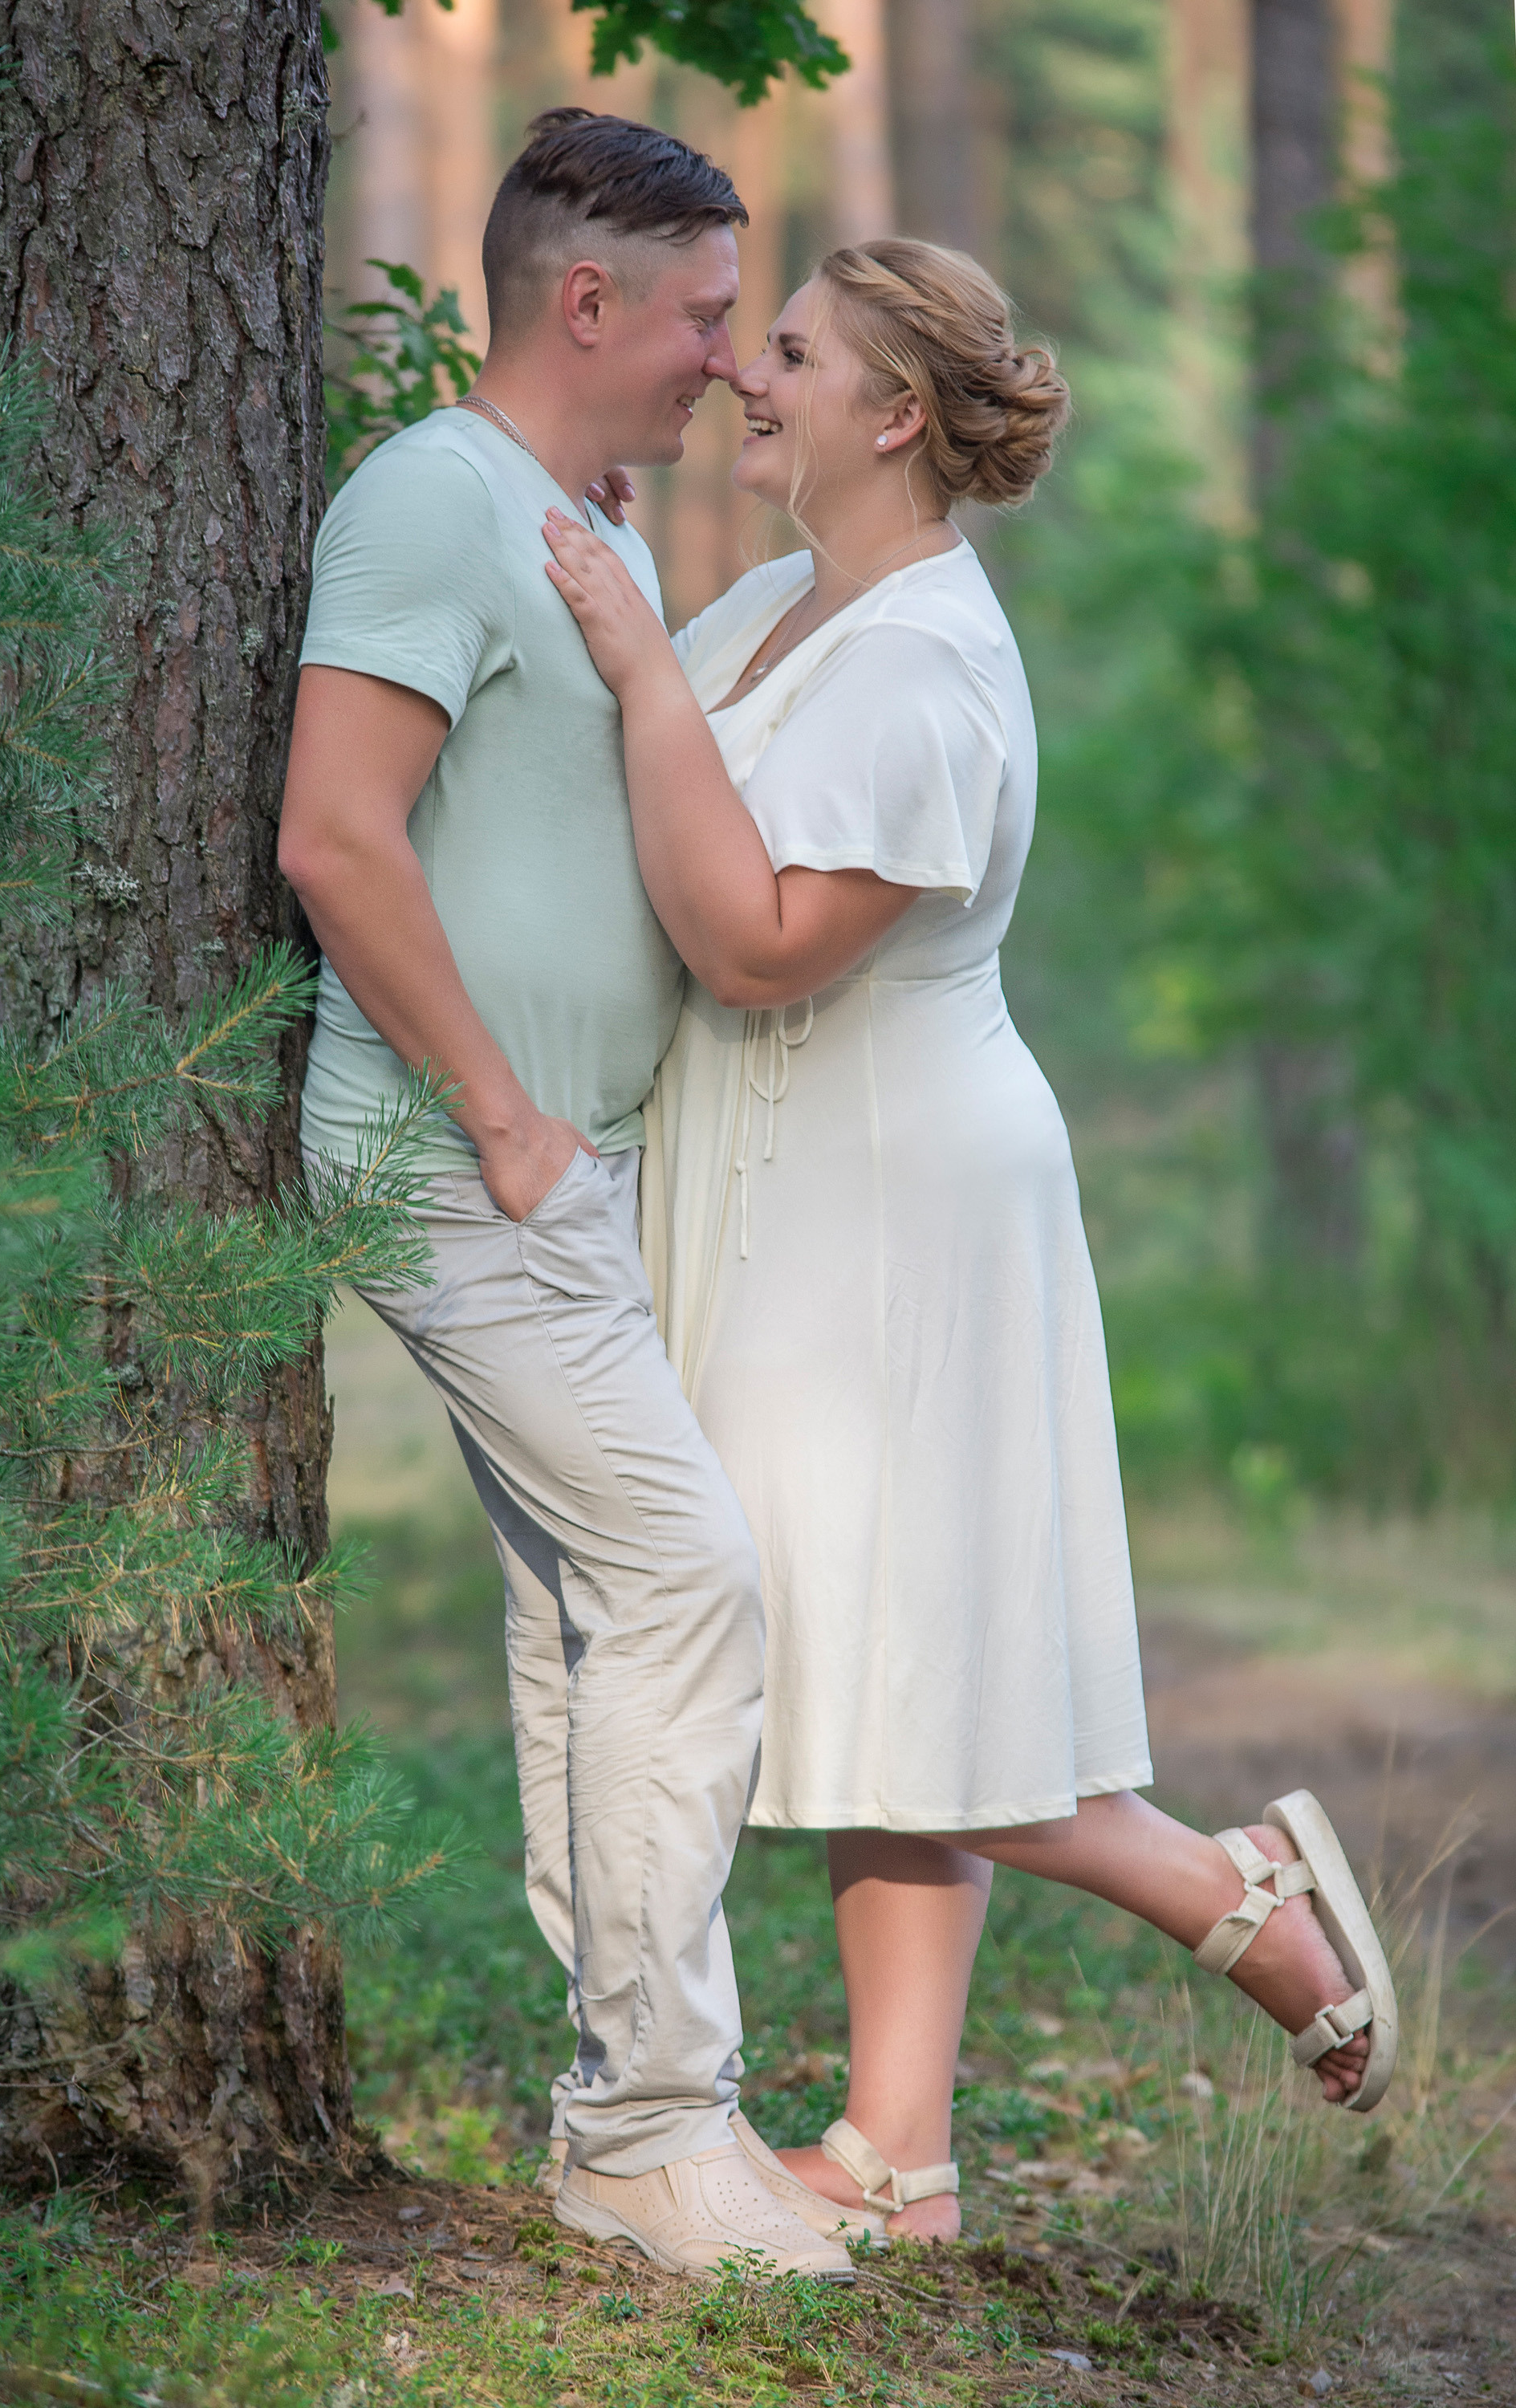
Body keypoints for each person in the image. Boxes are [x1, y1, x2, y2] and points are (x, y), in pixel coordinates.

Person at [540, 235, 1399, 2245]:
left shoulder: (927, 657)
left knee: (876, 1650)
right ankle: (899, 2158)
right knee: (855, 1652)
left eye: (798, 351)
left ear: (893, 414)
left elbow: (758, 948)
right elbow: (672, 798)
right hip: (792, 1188)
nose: (755, 375)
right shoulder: (783, 603)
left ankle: (1228, 1893)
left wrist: (639, 665)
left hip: (896, 1196)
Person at [278, 108, 861, 2281]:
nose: (731, 360)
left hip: (559, 1170)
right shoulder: (434, 501)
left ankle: (623, 2131)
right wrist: (511, 1118)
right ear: (586, 303)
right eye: (710, 314)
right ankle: (651, 2123)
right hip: (465, 1164)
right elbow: (339, 838)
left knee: (591, 1628)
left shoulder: (549, 510)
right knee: (691, 1582)